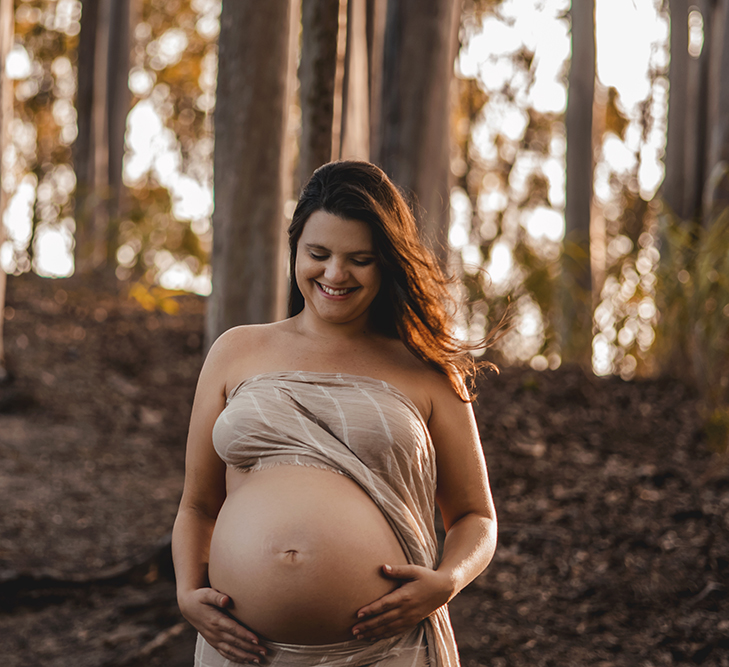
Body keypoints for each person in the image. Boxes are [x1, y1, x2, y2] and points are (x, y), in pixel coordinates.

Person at [172, 160, 497, 667]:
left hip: (387, 651)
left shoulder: (427, 370)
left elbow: (476, 516)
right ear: (295, 250)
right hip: (242, 651)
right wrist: (187, 593)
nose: (335, 275)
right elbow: (197, 505)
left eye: (359, 259)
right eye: (318, 254)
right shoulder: (236, 351)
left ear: (386, 262)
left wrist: (446, 582)